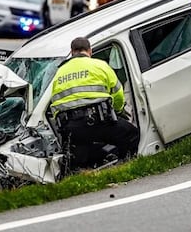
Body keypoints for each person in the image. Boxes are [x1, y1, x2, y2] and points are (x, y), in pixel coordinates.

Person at [49, 37, 139, 165]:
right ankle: (126, 165)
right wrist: (118, 111)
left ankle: (91, 168)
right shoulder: (100, 65)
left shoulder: (59, 72)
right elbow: (118, 94)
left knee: (82, 151)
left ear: (72, 52)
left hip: (72, 128)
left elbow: (55, 103)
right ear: (90, 51)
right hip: (99, 121)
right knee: (131, 135)